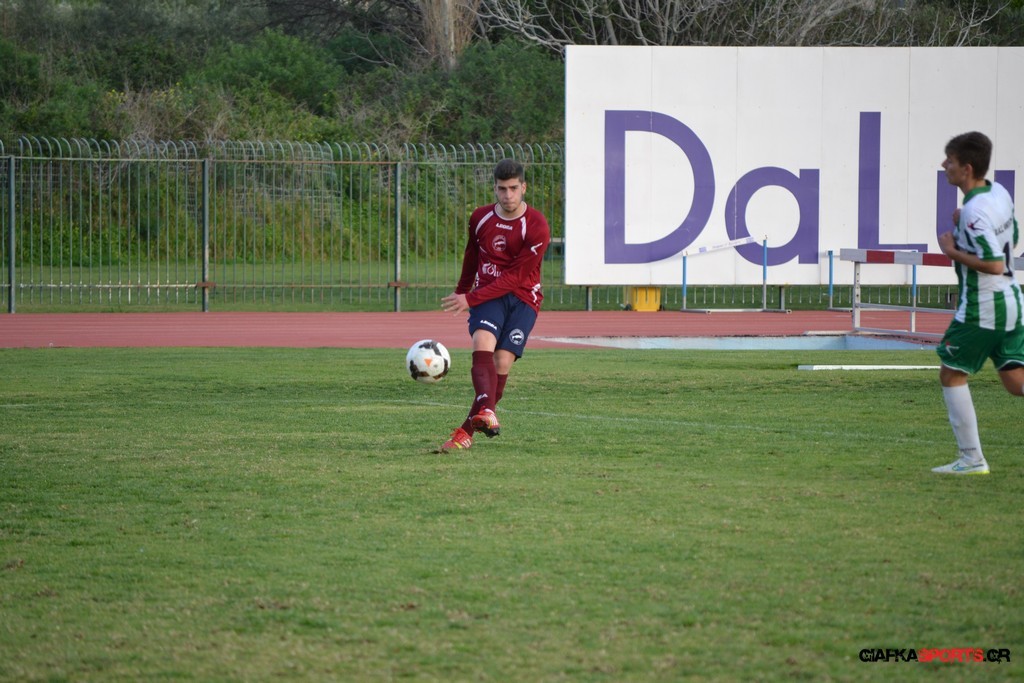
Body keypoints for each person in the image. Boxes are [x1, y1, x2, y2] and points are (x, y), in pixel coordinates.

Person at [438, 159, 551, 453]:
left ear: (524, 188)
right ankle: (485, 413)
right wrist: (463, 291)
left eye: (513, 188)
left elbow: (515, 278)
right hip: (488, 294)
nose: (508, 195)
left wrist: (468, 299)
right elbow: (471, 256)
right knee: (482, 343)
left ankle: (467, 430)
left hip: (524, 297)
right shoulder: (480, 218)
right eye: (502, 189)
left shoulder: (536, 226)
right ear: (495, 189)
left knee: (501, 363)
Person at [933, 131, 1022, 475]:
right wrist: (966, 229)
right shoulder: (998, 193)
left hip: (985, 305)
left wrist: (952, 250)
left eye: (951, 160)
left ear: (966, 168)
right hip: (1012, 300)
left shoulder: (973, 211)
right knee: (1015, 382)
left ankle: (972, 459)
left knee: (951, 373)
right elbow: (1012, 237)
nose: (945, 164)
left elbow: (995, 264)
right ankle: (971, 460)